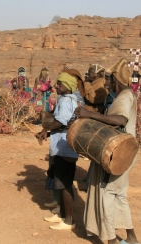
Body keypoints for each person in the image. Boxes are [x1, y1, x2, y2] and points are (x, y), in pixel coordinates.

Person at [74, 58, 139, 244]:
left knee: (107, 195)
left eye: (109, 79)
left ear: (116, 80)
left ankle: (111, 240)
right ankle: (132, 237)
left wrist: (88, 115)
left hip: (118, 153)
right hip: (124, 151)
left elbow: (120, 120)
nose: (107, 83)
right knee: (119, 194)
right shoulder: (126, 95)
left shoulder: (124, 96)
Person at [38, 72, 78, 230]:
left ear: (67, 87)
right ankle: (61, 214)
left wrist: (45, 129)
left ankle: (68, 221)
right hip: (62, 146)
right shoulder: (67, 100)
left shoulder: (67, 101)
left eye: (60, 84)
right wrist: (48, 132)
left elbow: (61, 121)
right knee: (61, 183)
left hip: (65, 148)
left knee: (65, 184)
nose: (56, 86)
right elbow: (64, 123)